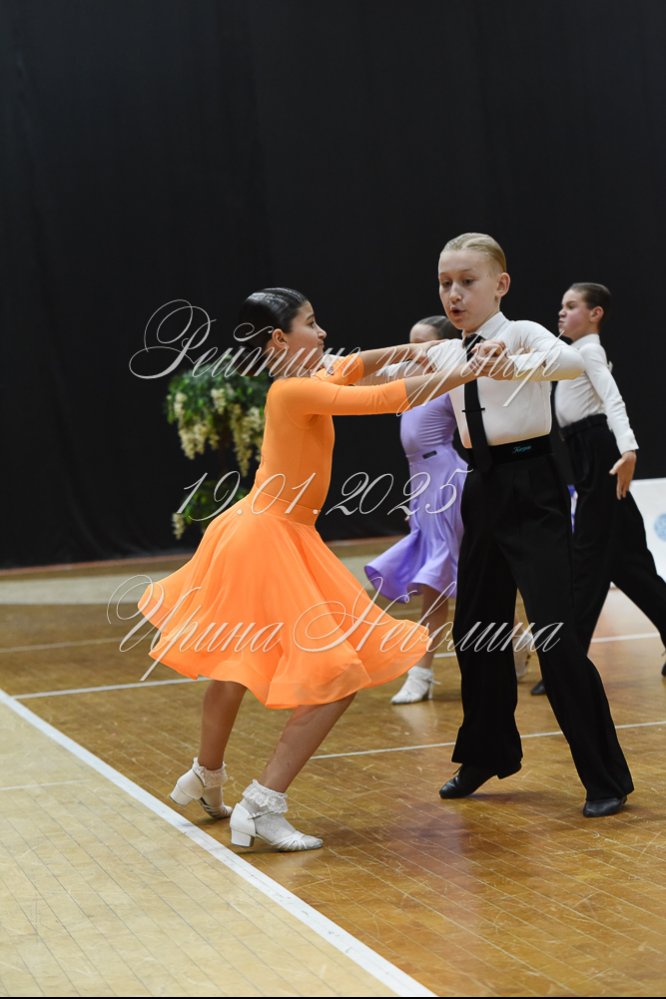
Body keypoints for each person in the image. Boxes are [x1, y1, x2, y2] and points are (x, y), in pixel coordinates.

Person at [137, 287, 479, 851]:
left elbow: (355, 365)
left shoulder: (307, 376)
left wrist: (411, 350)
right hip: (269, 538)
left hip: (262, 531)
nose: (322, 333)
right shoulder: (294, 390)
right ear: (279, 338)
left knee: (234, 663)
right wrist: (467, 369)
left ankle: (206, 776)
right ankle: (262, 803)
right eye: (311, 323)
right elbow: (382, 398)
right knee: (337, 674)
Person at [427, 234, 633, 818]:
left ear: (501, 285)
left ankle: (605, 776)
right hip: (481, 489)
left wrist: (512, 363)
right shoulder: (450, 350)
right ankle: (487, 752)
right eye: (445, 283)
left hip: (533, 488)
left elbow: (573, 361)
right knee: (476, 630)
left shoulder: (521, 334)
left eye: (467, 282)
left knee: (556, 637)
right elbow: (397, 370)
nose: (454, 294)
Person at [364, 316, 531, 704]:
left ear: (443, 348)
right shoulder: (409, 384)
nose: (415, 352)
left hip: (447, 485)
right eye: (411, 344)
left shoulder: (449, 384)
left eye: (423, 344)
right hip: (424, 484)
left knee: (437, 583)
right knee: (458, 578)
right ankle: (519, 635)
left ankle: (421, 673)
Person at [530, 283, 666, 695]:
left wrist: (628, 450)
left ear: (595, 314)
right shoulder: (574, 353)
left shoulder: (589, 351)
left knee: (586, 563)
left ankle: (567, 667)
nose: (561, 312)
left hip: (600, 454)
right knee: (629, 564)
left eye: (571, 306)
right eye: (561, 305)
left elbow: (613, 400)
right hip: (586, 452)